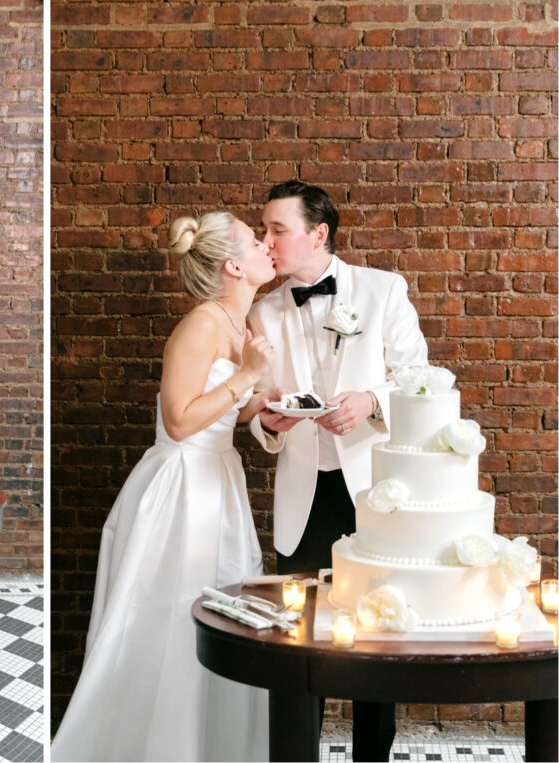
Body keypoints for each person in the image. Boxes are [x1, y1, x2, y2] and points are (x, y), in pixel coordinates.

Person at [52, 211, 278, 762]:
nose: (267, 245)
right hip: (181, 489)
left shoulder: (236, 322)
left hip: (219, 481)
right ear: (232, 264)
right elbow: (178, 420)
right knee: (174, 617)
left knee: (223, 615)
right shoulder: (202, 323)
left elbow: (228, 412)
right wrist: (247, 376)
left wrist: (265, 405)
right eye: (256, 240)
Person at [248, 181, 428, 762]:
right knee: (299, 635)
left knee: (374, 634)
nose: (266, 241)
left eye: (277, 229)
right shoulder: (262, 309)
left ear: (317, 233)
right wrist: (268, 427)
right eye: (264, 229)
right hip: (304, 496)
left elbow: (417, 377)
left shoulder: (382, 290)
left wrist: (372, 401)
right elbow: (255, 406)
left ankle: (372, 755)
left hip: (373, 493)